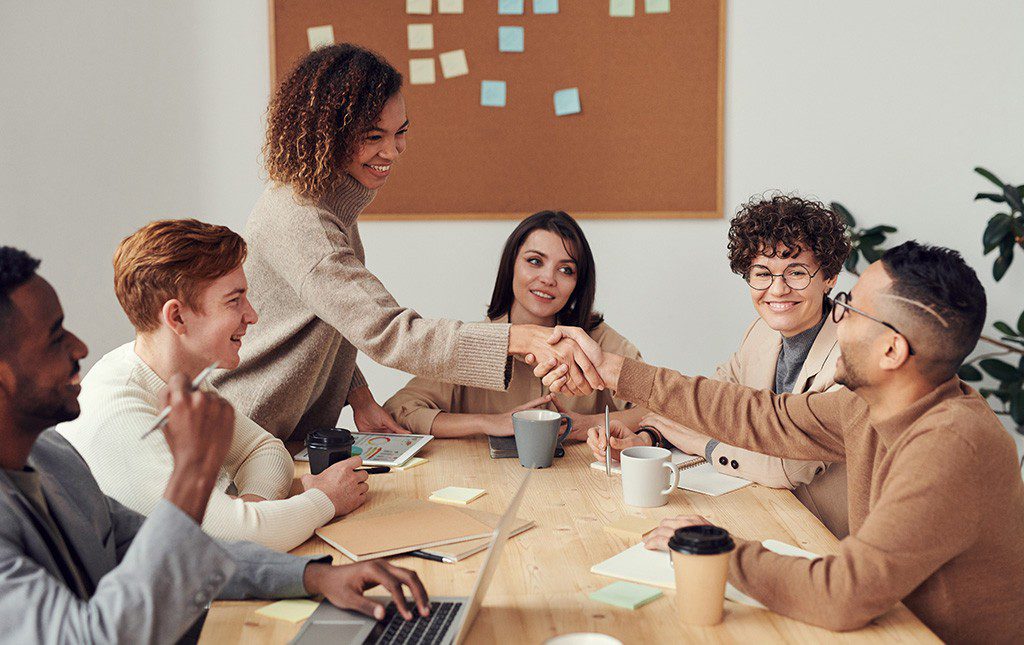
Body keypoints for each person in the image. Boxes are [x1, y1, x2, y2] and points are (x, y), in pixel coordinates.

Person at [545, 242, 1024, 642]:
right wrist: (615, 371)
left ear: (892, 350)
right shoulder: (869, 406)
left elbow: (843, 594)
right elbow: (761, 415)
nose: (835, 319)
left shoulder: (951, 444)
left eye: (850, 309)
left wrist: (714, 549)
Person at [0, 247, 429, 644]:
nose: (80, 347)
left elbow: (179, 553)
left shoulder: (52, 457)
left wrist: (314, 578)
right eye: (56, 337)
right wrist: (194, 472)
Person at [212, 44, 604, 442]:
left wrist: (359, 396)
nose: (392, 151)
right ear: (328, 135)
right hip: (245, 433)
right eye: (373, 136)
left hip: (282, 435)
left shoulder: (327, 204)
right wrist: (516, 338)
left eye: (401, 132)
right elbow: (389, 332)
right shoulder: (305, 222)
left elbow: (333, 319)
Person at [57, 220, 367, 551]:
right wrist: (324, 499)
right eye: (234, 300)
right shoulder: (119, 413)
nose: (252, 316)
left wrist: (251, 512)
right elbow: (225, 542)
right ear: (176, 318)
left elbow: (265, 450)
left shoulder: (177, 376)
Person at [587, 195, 852, 537]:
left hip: (825, 536)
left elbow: (786, 467)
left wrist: (704, 445)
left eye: (796, 272)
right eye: (762, 273)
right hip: (764, 513)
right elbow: (706, 404)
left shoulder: (849, 355)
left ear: (829, 276)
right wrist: (648, 438)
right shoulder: (760, 333)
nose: (777, 289)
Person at [383, 211, 648, 439]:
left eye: (566, 270)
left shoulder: (600, 342)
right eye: (535, 261)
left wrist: (586, 425)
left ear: (578, 284)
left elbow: (662, 409)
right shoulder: (474, 342)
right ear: (511, 265)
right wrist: (490, 422)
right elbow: (400, 410)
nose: (548, 278)